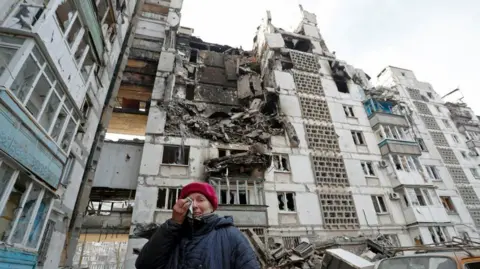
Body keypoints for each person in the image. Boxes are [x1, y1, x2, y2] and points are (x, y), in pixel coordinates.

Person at [135, 182, 261, 269]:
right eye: (189, 201)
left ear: (212, 207)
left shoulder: (231, 235)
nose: (194, 205)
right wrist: (173, 223)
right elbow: (144, 265)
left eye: (201, 200)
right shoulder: (171, 234)